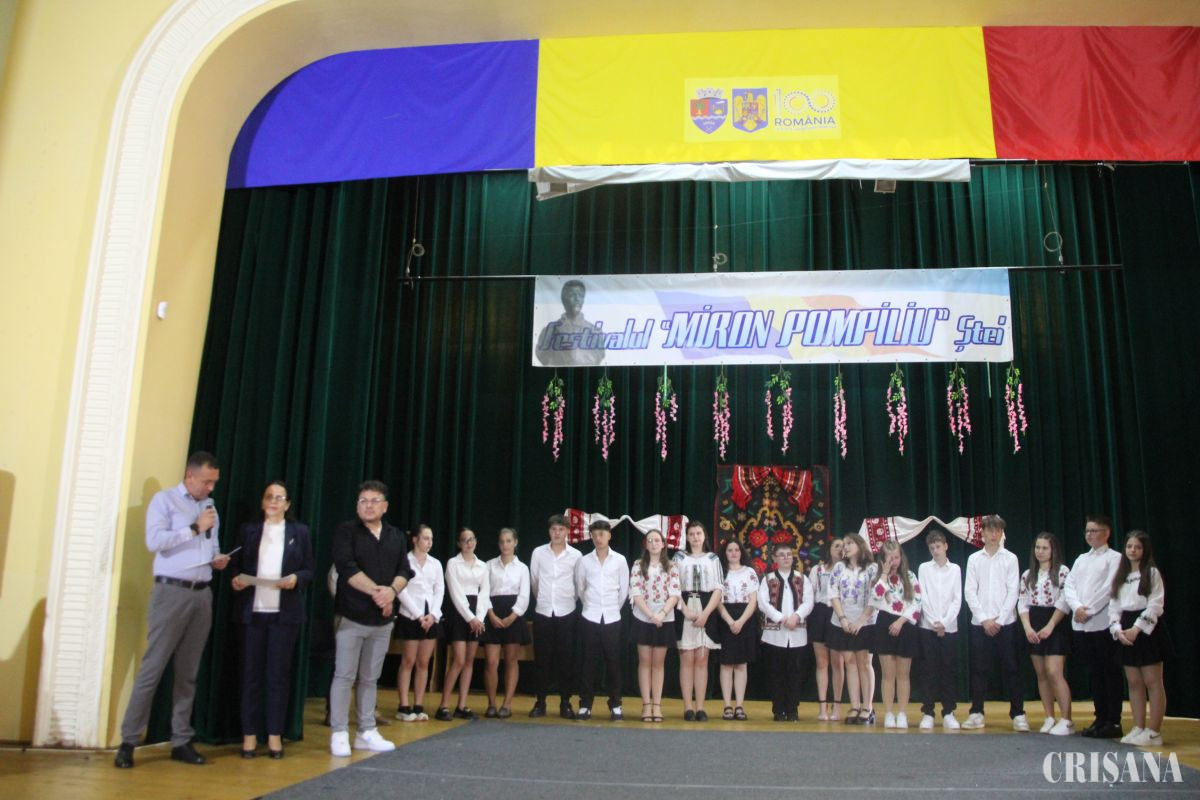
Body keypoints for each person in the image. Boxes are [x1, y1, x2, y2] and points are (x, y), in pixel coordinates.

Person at [114, 451, 230, 769]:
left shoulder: (210, 507)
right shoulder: (164, 501)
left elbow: (212, 544)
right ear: (190, 476)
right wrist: (193, 528)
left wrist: (218, 559)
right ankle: (128, 741)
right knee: (152, 668)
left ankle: (181, 739)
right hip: (171, 593)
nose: (211, 488)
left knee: (188, 672)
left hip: (201, 594)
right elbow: (154, 541)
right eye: (207, 481)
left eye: (214, 482)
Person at [229, 481, 315, 759]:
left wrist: (295, 579)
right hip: (252, 613)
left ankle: (275, 735)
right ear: (262, 502)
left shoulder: (299, 532)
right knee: (251, 675)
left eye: (279, 498)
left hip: (284, 615)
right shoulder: (249, 530)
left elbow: (309, 569)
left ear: (287, 504)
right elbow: (235, 564)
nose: (274, 502)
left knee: (277, 676)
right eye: (269, 497)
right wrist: (236, 579)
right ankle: (249, 736)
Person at [328, 480, 412, 757]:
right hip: (351, 616)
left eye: (374, 501)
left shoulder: (395, 535)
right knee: (344, 675)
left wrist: (391, 592)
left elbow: (404, 570)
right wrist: (379, 593)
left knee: (370, 678)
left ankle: (366, 731)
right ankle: (339, 731)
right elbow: (346, 568)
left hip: (383, 620)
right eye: (363, 501)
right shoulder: (346, 531)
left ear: (385, 506)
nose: (368, 506)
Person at [962, 514, 1027, 731]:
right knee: (979, 669)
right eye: (990, 530)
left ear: (1001, 533)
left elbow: (1013, 591)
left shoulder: (1010, 558)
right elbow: (970, 591)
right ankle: (977, 712)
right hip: (980, 624)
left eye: (997, 530)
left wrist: (999, 620)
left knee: (1011, 668)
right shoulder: (974, 559)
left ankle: (1018, 714)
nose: (993, 534)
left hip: (1005, 623)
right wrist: (984, 619)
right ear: (982, 533)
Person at [1063, 514, 1124, 739]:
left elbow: (1110, 588)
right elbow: (1069, 585)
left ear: (1106, 533)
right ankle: (1100, 718)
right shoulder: (1081, 559)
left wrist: (1087, 610)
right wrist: (1076, 607)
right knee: (1095, 672)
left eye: (1094, 531)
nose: (1089, 535)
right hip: (1082, 625)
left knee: (1110, 671)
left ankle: (1113, 720)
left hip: (1102, 623)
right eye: (1087, 531)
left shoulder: (1114, 558)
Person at [1110, 530, 1171, 746]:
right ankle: (1138, 726)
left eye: (1137, 547)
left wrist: (1137, 629)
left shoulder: (1151, 573)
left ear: (1144, 550)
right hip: (1125, 628)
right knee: (1134, 682)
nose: (1133, 550)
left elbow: (1156, 604)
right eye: (1129, 546)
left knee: (1153, 682)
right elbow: (1114, 606)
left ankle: (1154, 731)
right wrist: (1117, 629)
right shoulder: (1121, 575)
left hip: (1147, 630)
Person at [1017, 532, 1073, 736]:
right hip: (1034, 622)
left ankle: (1066, 719)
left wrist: (1051, 625)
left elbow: (1065, 600)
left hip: (1055, 621)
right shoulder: (1028, 574)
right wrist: (1027, 627)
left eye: (1044, 548)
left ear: (1053, 550)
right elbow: (1022, 602)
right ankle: (1049, 716)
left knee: (1053, 672)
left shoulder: (1062, 572)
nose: (1040, 552)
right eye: (1037, 548)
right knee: (1041, 673)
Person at [529, 514, 583, 719]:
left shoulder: (576, 555)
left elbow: (579, 584)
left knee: (566, 660)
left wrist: (567, 600)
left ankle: (565, 703)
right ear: (549, 531)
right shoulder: (538, 553)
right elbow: (535, 582)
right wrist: (544, 599)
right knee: (541, 659)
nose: (557, 533)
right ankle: (540, 702)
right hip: (543, 611)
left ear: (567, 531)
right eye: (553, 529)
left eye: (561, 529)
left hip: (566, 612)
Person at [574, 519, 629, 721]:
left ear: (609, 535)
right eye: (595, 535)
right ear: (591, 537)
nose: (598, 538)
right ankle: (585, 705)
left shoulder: (620, 560)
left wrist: (612, 608)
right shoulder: (584, 561)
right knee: (588, 661)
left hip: (612, 617)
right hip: (590, 616)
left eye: (602, 534)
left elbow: (623, 591)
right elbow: (580, 588)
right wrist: (591, 606)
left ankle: (615, 705)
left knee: (613, 662)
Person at [435, 527, 491, 721]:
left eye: (472, 539)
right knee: (458, 660)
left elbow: (485, 593)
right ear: (459, 543)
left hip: (477, 613)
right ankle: (443, 705)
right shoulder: (453, 563)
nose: (469, 543)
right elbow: (456, 593)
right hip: (459, 613)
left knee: (469, 660)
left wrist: (480, 618)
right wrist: (470, 618)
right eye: (465, 540)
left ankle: (462, 705)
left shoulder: (482, 565)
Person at [756, 543, 814, 721]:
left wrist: (796, 616)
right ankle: (778, 709)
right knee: (776, 673)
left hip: (797, 633)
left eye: (789, 554)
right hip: (774, 634)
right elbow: (763, 603)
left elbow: (809, 601)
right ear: (774, 558)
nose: (786, 557)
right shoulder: (768, 579)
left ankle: (792, 709)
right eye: (781, 555)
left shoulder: (802, 579)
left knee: (795, 673)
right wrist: (782, 618)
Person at [629, 529, 680, 723]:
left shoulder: (672, 566)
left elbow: (675, 593)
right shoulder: (637, 565)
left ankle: (657, 705)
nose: (653, 543)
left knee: (658, 663)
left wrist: (662, 614)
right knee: (644, 661)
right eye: (649, 540)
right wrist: (651, 615)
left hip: (664, 619)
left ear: (663, 544)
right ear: (645, 544)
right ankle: (646, 705)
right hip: (643, 618)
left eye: (657, 540)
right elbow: (636, 593)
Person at [869, 540, 922, 729]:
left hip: (905, 624)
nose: (894, 562)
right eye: (889, 558)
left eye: (896, 557)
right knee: (888, 674)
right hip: (885, 623)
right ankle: (889, 713)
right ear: (883, 559)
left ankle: (902, 713)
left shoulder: (910, 576)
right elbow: (874, 598)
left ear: (902, 557)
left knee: (903, 674)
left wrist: (901, 621)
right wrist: (884, 574)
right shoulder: (878, 578)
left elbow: (917, 603)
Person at [674, 520, 723, 721]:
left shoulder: (713, 558)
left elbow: (719, 588)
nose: (695, 537)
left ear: (704, 536)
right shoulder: (679, 557)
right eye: (691, 534)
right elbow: (673, 586)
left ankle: (700, 707)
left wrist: (706, 614)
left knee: (702, 660)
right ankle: (688, 707)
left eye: (698, 533)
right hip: (684, 606)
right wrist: (685, 609)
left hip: (706, 606)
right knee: (686, 659)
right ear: (687, 537)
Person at [395, 524, 443, 722]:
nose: (429, 542)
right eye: (425, 538)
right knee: (408, 661)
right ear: (415, 540)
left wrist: (433, 614)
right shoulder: (405, 561)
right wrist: (417, 615)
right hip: (410, 615)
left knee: (424, 662)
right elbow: (401, 589)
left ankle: (419, 704)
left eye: (431, 539)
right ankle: (404, 705)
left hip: (430, 617)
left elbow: (439, 590)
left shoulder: (435, 564)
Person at [828, 532, 878, 725]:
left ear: (860, 545)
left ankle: (868, 707)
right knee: (849, 662)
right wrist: (843, 619)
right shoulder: (839, 567)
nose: (845, 547)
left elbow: (876, 597)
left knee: (864, 663)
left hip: (865, 622)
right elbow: (833, 593)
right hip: (843, 622)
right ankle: (855, 705)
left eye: (849, 543)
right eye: (844, 544)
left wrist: (860, 621)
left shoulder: (872, 568)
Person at [916, 528, 963, 730]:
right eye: (932, 548)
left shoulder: (955, 569)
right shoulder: (924, 568)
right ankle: (928, 712)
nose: (935, 551)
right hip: (928, 627)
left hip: (949, 628)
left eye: (938, 546)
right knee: (929, 669)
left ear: (945, 546)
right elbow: (923, 597)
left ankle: (949, 712)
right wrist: (934, 621)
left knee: (948, 670)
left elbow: (957, 599)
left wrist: (944, 622)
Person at [482, 527, 531, 718]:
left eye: (509, 541)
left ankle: (507, 704)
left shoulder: (522, 568)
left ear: (515, 542)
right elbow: (484, 592)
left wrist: (512, 616)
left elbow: (524, 596)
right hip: (492, 613)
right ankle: (491, 703)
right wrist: (491, 615)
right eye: (502, 541)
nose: (505, 545)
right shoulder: (489, 565)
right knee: (491, 661)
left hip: (513, 615)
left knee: (511, 660)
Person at [717, 539, 758, 721]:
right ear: (724, 553)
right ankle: (727, 705)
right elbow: (717, 600)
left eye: (736, 550)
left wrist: (740, 621)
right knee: (726, 664)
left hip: (745, 618)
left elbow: (753, 601)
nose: (733, 553)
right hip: (725, 616)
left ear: (741, 552)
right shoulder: (719, 572)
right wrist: (729, 621)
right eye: (729, 550)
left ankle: (739, 705)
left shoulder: (749, 572)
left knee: (741, 664)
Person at [808, 537, 845, 721]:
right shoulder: (818, 569)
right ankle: (822, 707)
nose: (840, 549)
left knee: (838, 663)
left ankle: (837, 706)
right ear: (829, 549)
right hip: (820, 613)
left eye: (843, 546)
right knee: (822, 663)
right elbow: (810, 594)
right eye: (837, 546)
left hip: (839, 614)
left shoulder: (848, 571)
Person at [534, 279, 606, 366]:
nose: (577, 299)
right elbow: (542, 355)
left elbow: (599, 356)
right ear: (564, 299)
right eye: (572, 295)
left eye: (580, 295)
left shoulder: (595, 331)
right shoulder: (549, 330)